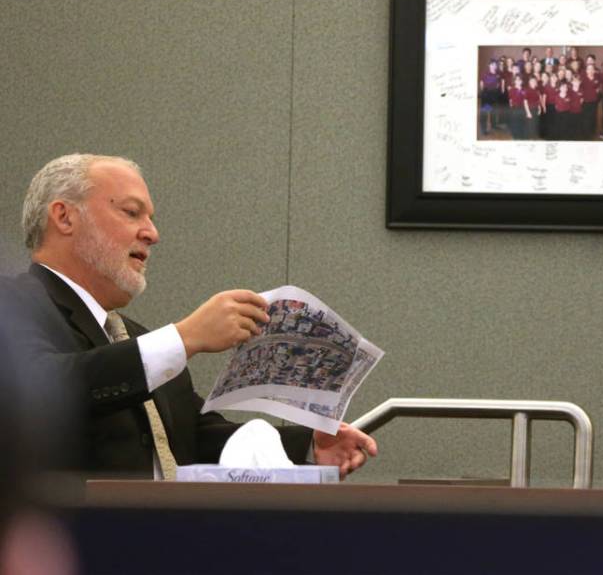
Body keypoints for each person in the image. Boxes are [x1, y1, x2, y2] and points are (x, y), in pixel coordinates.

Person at [4, 154, 379, 479]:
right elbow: (41, 391)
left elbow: (194, 437)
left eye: (150, 218)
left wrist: (308, 446)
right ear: (64, 217)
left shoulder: (135, 338)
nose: (152, 233)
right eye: (132, 212)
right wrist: (184, 338)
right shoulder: (13, 304)